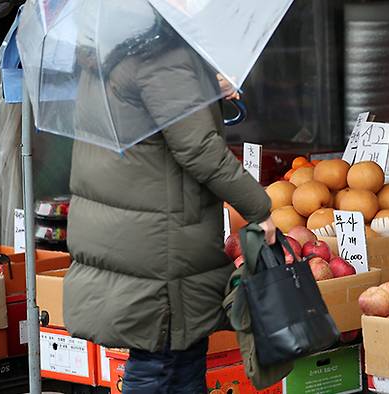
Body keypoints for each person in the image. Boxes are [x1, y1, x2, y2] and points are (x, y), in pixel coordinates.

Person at [62, 9, 275, 393]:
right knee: (160, 359)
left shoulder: (113, 47)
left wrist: (205, 89)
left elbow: (156, 121)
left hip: (132, 228)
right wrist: (259, 208)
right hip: (161, 237)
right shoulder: (161, 59)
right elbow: (200, 150)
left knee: (180, 354)